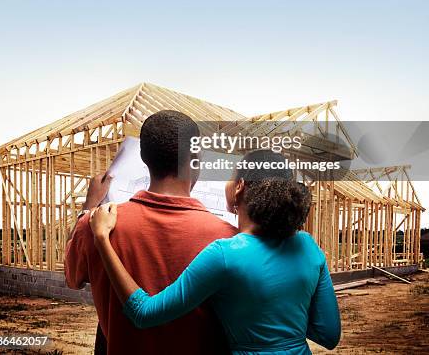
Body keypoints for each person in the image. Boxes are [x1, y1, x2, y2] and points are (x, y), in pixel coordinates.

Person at [89, 149, 341, 355]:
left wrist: (102, 238)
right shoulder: (308, 246)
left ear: (240, 186)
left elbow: (144, 313)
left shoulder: (225, 254)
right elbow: (329, 335)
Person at [65, 110, 237, 355]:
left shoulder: (95, 224)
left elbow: (72, 279)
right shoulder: (230, 238)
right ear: (196, 157)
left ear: (144, 157)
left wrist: (88, 207)